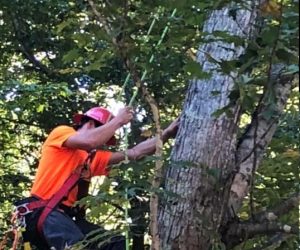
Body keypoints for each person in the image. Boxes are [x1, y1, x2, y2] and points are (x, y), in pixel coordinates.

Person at [14, 106, 179, 250]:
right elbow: (89, 141)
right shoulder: (62, 133)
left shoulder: (92, 159)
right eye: (105, 137)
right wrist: (118, 121)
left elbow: (135, 153)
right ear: (91, 124)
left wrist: (166, 134)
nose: (103, 143)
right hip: (43, 212)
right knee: (76, 245)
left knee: (116, 243)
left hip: (66, 218)